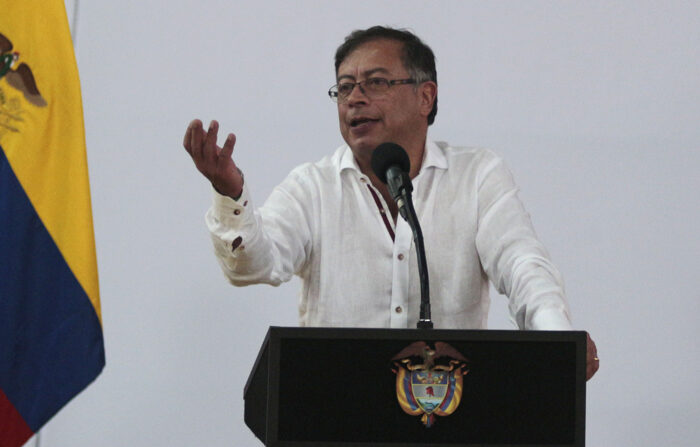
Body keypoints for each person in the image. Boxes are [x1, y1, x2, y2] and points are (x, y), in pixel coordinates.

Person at [183, 26, 599, 380]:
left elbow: (522, 263)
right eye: (344, 87)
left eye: (376, 83)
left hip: (451, 416)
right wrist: (230, 195)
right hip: (337, 414)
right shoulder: (312, 187)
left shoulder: (477, 176)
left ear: (425, 97)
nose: (354, 99)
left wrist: (556, 339)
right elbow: (252, 265)